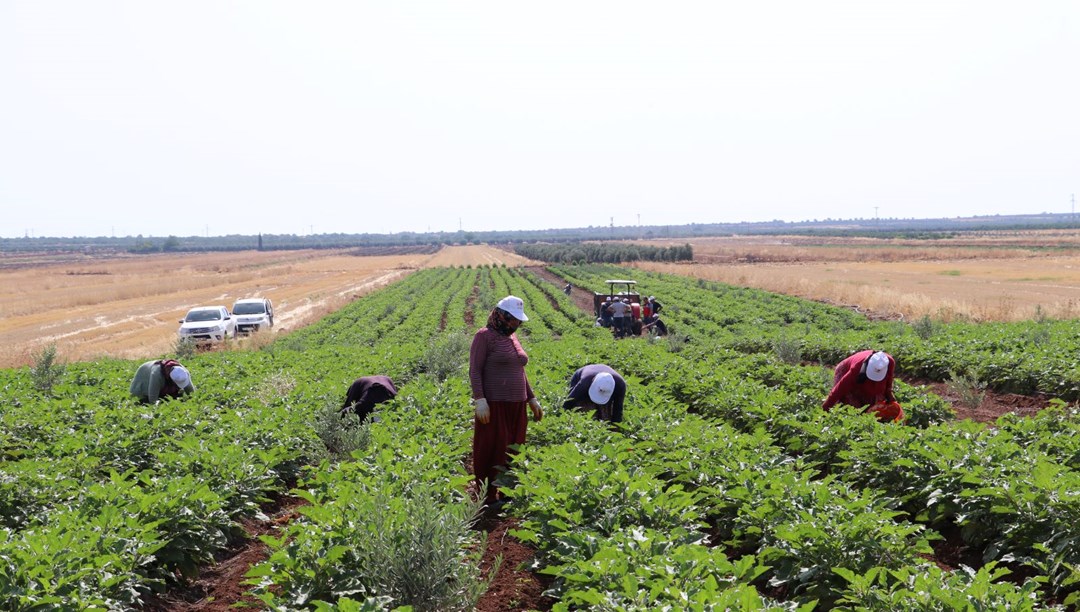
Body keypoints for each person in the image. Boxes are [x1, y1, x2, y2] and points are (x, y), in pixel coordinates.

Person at [470, 295, 544, 506]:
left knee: (514, 449)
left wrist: (531, 397)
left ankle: (508, 491)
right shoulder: (484, 336)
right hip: (495, 404)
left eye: (519, 320)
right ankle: (488, 494)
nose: (517, 324)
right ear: (501, 316)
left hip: (517, 404)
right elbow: (475, 370)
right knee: (492, 448)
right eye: (514, 319)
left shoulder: (511, 337)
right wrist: (480, 399)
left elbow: (518, 369)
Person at [822, 350, 901, 421]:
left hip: (863, 372)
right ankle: (853, 420)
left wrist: (889, 394)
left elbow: (889, 380)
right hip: (846, 368)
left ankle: (867, 417)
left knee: (875, 397)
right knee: (848, 402)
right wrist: (824, 411)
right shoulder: (856, 369)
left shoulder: (889, 362)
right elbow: (838, 391)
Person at [562, 364, 626, 423]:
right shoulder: (584, 382)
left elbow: (618, 409)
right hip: (580, 377)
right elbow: (570, 401)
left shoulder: (620, 386)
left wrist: (616, 427)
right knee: (580, 408)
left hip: (604, 379)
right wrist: (563, 416)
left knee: (606, 413)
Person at [130, 359, 194, 404]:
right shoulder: (157, 375)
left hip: (160, 379)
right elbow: (152, 399)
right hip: (144, 376)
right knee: (142, 401)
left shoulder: (183, 372)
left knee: (175, 397)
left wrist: (193, 401)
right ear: (171, 379)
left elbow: (192, 393)